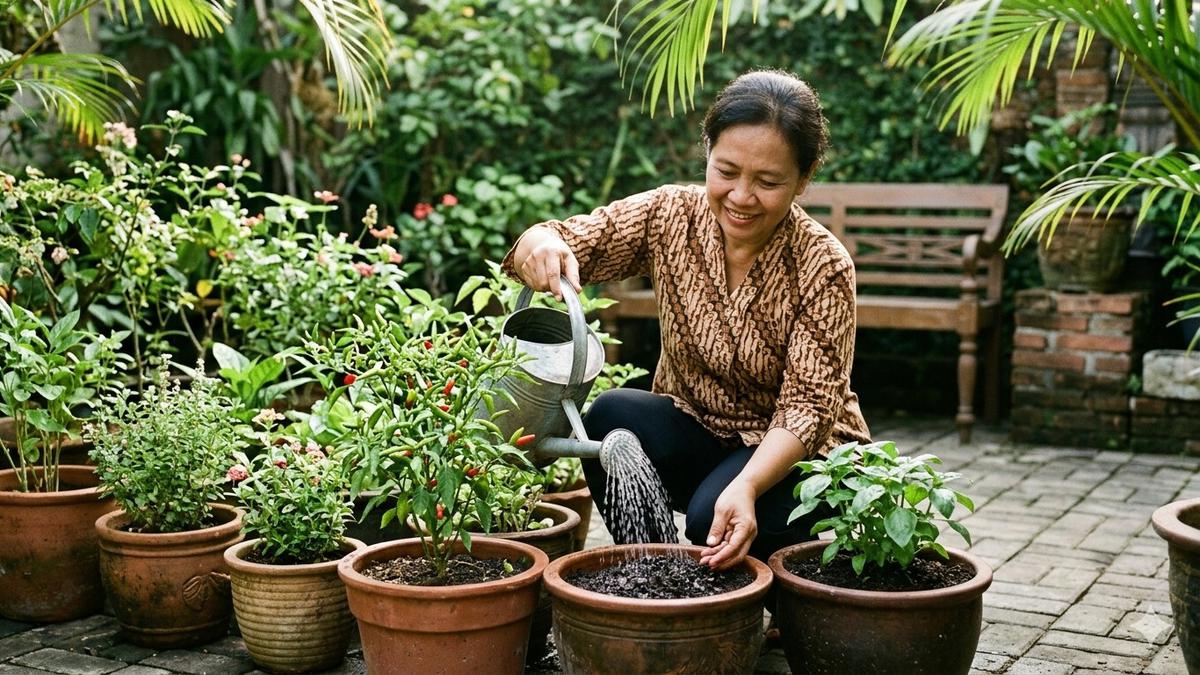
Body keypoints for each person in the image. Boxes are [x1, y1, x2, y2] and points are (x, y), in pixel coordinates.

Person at [502, 69, 872, 571]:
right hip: (702, 431)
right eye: (726, 171)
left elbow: (807, 409)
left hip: (798, 457)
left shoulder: (822, 265)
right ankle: (660, 575)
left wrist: (744, 485)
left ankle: (787, 597)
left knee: (708, 519)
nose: (741, 196)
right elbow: (572, 240)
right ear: (707, 152)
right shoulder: (670, 214)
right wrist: (540, 243)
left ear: (803, 180)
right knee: (612, 416)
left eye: (767, 182)